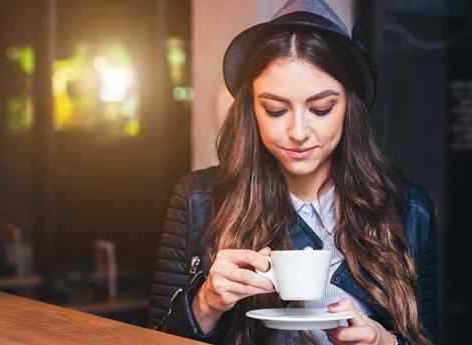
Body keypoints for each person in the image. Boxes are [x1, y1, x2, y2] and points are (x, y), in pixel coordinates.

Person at [147, 1, 438, 344]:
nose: (298, 131)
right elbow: (150, 338)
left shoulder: (407, 209)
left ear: (350, 108)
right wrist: (206, 304)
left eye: (320, 109)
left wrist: (385, 341)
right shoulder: (199, 200)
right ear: (251, 110)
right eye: (275, 109)